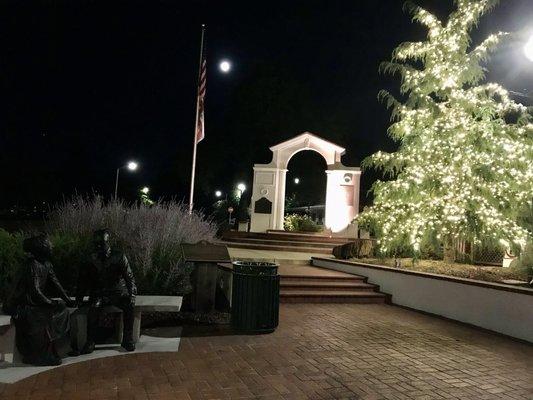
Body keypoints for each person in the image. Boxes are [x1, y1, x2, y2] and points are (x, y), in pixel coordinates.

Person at [3, 234, 74, 366]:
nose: (51, 247)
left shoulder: (46, 264)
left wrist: (67, 300)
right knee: (41, 317)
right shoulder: (32, 264)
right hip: (21, 304)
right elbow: (35, 291)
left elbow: (56, 284)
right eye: (49, 245)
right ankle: (37, 355)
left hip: (33, 302)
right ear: (41, 248)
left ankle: (57, 348)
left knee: (62, 311)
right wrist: (51, 302)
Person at [74, 229, 137, 354]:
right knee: (93, 308)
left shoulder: (119, 256)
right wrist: (79, 297)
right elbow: (82, 280)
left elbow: (129, 277)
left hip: (117, 292)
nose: (98, 247)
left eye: (101, 244)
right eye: (96, 244)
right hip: (99, 293)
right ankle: (91, 341)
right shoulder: (89, 258)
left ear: (108, 243)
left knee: (129, 306)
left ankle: (127, 339)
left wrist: (132, 294)